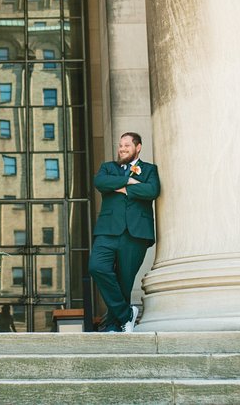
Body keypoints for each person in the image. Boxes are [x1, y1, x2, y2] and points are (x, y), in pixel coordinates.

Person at [88, 132, 160, 333]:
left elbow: (152, 191)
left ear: (138, 147)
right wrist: (129, 182)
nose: (122, 149)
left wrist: (123, 188)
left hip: (136, 233)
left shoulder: (149, 169)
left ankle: (115, 325)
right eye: (120, 145)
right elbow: (101, 183)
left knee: (124, 281)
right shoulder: (108, 168)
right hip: (108, 230)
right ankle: (126, 313)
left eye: (127, 145)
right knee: (97, 267)